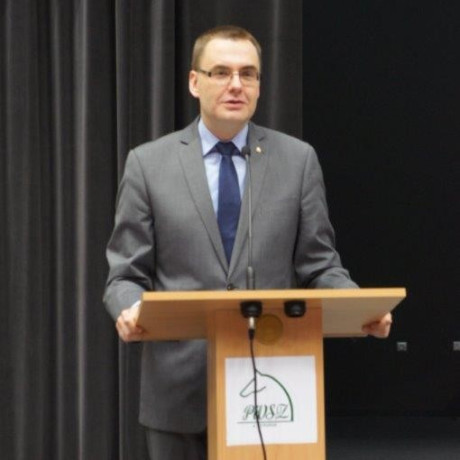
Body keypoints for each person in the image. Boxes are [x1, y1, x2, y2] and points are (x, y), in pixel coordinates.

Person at [104, 25, 392, 460]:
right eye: (221, 72)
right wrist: (130, 308)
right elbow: (125, 274)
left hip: (274, 391)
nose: (236, 84)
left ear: (259, 84)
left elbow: (319, 265)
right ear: (194, 82)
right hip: (179, 394)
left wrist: (357, 307)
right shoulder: (148, 164)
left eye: (248, 74)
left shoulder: (297, 161)